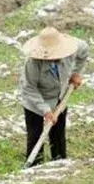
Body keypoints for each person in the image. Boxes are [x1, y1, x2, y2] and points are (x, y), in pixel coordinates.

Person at [19, 27, 88, 167]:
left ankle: (59, 165)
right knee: (35, 137)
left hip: (59, 98)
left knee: (58, 136)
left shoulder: (71, 49)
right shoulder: (32, 63)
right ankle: (34, 167)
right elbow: (29, 88)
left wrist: (76, 73)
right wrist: (46, 111)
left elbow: (84, 50)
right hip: (35, 102)